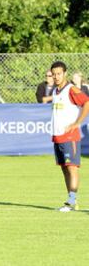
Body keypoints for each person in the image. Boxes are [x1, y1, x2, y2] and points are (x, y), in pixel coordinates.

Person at [50, 61, 89, 212]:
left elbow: (86, 103)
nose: (56, 76)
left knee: (72, 168)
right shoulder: (55, 91)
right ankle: (71, 200)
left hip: (70, 136)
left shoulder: (71, 89)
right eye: (54, 74)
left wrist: (77, 123)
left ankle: (71, 201)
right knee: (65, 169)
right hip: (58, 137)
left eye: (59, 73)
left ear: (65, 73)